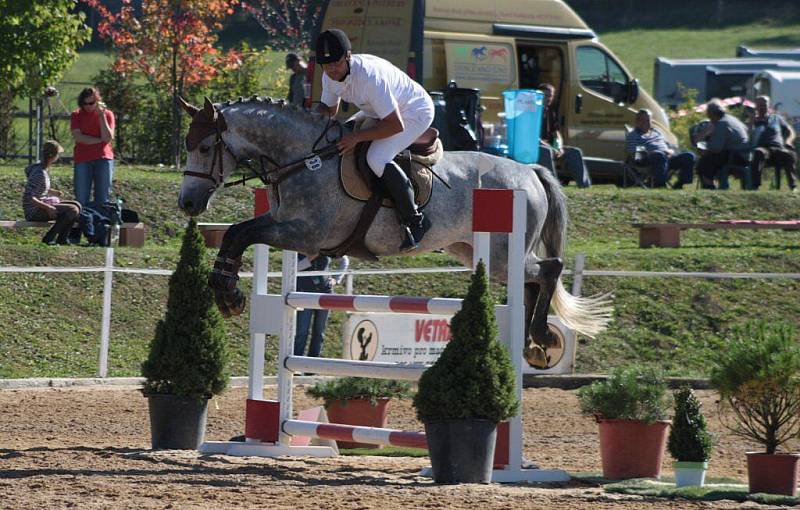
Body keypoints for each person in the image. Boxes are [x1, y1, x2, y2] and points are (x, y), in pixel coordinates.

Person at [314, 28, 433, 252]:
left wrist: (357, 137)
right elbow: (329, 110)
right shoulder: (329, 75)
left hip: (413, 112)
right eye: (326, 65)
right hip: (378, 111)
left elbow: (395, 125)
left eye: (336, 63)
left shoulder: (369, 77)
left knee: (376, 158)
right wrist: (306, 116)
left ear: (348, 56)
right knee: (342, 133)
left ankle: (416, 220)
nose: (331, 70)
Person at [21, 140, 81, 245]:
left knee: (77, 205)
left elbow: (39, 188)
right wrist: (47, 207)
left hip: (41, 205)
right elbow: (29, 196)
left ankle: (62, 239)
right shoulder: (39, 173)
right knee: (72, 210)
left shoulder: (43, 170)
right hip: (34, 211)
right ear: (52, 155)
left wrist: (53, 192)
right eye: (58, 154)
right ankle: (49, 238)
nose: (58, 156)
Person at [294, 254, 350, 357]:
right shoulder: (298, 247)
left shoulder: (325, 246)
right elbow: (295, 268)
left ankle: (312, 367)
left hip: (325, 293)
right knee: (301, 332)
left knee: (319, 332)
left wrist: (336, 279)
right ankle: (296, 365)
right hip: (304, 294)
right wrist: (311, 257)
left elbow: (344, 260)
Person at [537, 83, 591, 188]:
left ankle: (584, 185)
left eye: (551, 96)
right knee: (546, 151)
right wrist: (552, 147)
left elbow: (556, 133)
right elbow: (534, 139)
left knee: (575, 152)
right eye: (546, 96)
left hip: (551, 146)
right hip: (538, 147)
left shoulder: (550, 112)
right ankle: (555, 186)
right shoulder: (533, 112)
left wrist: (559, 147)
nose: (549, 98)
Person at [625, 109, 695, 188]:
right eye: (642, 120)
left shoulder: (656, 132)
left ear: (651, 121)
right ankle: (660, 184)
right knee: (658, 155)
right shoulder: (633, 135)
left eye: (647, 120)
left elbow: (667, 145)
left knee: (689, 156)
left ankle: (681, 183)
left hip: (665, 157)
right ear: (637, 121)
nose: (645, 123)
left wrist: (670, 151)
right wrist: (650, 152)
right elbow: (636, 155)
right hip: (647, 160)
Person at [71, 87, 115, 206]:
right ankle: (83, 222)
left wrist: (102, 116)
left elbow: (108, 137)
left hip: (103, 159)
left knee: (102, 200)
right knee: (81, 199)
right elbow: (79, 137)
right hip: (83, 159)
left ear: (98, 102)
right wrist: (100, 140)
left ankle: (100, 222)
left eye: (91, 103)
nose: (88, 106)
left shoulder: (108, 114)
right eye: (85, 103)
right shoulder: (76, 114)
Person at [696, 98, 750, 189]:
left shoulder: (721, 124)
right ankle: (713, 184)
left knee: (704, 161)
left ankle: (709, 187)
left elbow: (716, 148)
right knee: (711, 159)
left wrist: (704, 150)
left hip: (735, 156)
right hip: (745, 155)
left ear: (712, 114)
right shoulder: (732, 119)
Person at [750, 95, 797, 191]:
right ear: (756, 106)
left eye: (764, 104)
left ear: (768, 105)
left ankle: (793, 186)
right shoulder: (754, 120)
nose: (762, 107)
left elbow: (791, 131)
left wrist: (788, 141)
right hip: (763, 149)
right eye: (760, 105)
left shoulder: (776, 118)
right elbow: (748, 136)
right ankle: (756, 186)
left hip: (778, 148)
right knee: (758, 152)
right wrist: (751, 123)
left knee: (789, 154)